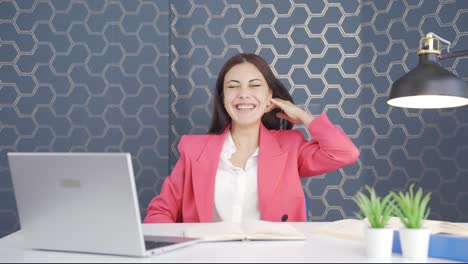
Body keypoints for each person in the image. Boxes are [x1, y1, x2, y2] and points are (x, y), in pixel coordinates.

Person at [144, 53, 359, 223]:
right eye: (233, 86)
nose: (243, 94)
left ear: (269, 98)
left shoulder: (290, 146)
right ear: (224, 98)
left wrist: (304, 116)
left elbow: (345, 153)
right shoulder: (193, 150)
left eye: (255, 85)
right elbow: (159, 212)